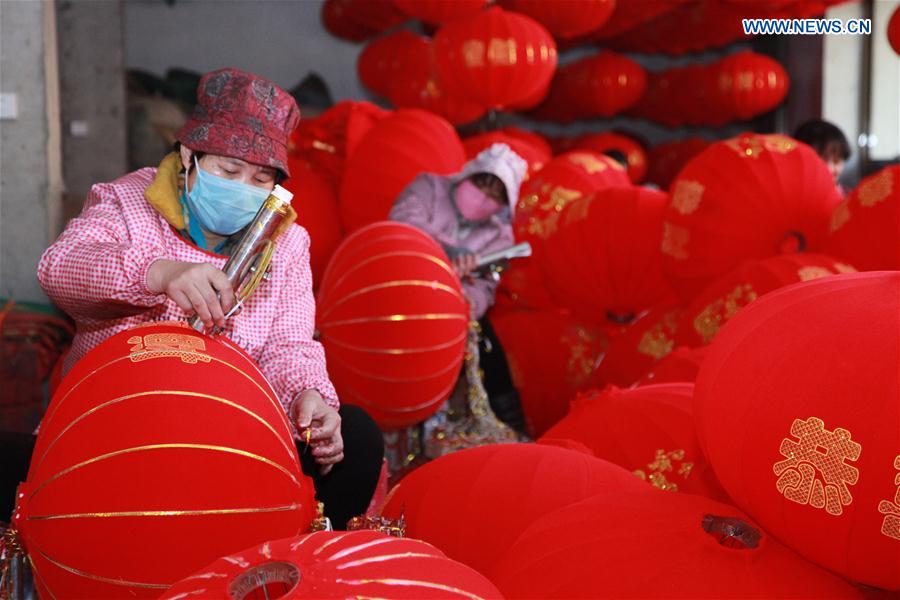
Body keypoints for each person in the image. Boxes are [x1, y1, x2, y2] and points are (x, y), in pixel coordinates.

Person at [34, 68, 383, 529]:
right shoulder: (129, 202)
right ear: (187, 156)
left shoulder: (285, 241)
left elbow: (288, 346)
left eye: (261, 178)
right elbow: (59, 268)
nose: (243, 188)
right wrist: (157, 273)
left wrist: (308, 397)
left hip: (227, 428)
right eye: (228, 170)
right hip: (124, 418)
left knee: (355, 438)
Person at [389, 143, 528, 432]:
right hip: (395, 291)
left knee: (485, 357)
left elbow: (485, 290)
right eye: (482, 183)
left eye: (495, 194)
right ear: (469, 174)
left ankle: (508, 423)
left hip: (444, 319)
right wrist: (449, 254)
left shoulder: (500, 236)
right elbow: (403, 224)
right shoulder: (429, 187)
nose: (484, 197)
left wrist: (462, 300)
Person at [793, 119, 852, 195]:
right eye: (820, 161)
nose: (829, 168)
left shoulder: (848, 198)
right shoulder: (791, 197)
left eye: (836, 161)